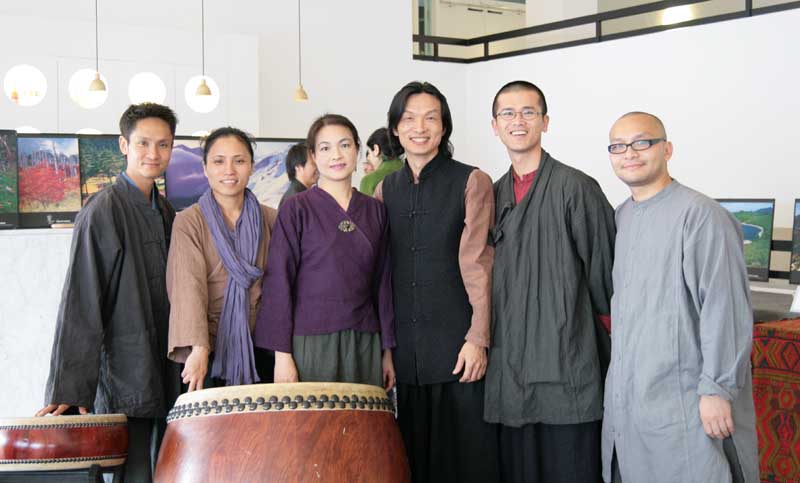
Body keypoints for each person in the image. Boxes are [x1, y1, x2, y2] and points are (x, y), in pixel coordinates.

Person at [602, 111, 758, 483]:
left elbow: (725, 308)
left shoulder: (702, 215)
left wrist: (717, 389)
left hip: (687, 395)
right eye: (618, 146)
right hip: (633, 394)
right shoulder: (620, 218)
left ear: (667, 149)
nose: (630, 153)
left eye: (642, 142)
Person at [36, 103, 181, 482]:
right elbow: (81, 301)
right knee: (131, 467)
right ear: (124, 145)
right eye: (143, 143)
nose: (153, 154)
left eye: (163, 144)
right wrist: (70, 388)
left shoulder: (167, 211)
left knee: (166, 464)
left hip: (165, 361)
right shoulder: (103, 210)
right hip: (124, 365)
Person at [484, 80, 615, 483]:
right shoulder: (492, 194)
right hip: (511, 362)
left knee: (571, 465)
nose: (518, 121)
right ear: (495, 126)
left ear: (545, 121)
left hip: (567, 357)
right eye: (508, 113)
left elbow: (606, 276)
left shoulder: (576, 188)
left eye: (529, 112)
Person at [374, 81, 499, 482]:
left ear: (444, 127)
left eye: (431, 118)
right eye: (409, 119)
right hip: (406, 355)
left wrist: (478, 338)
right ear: (396, 128)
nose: (420, 127)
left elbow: (481, 264)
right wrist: (386, 349)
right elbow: (381, 273)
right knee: (412, 464)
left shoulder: (472, 180)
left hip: (458, 349)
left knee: (465, 462)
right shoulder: (384, 189)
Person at [255, 114, 396, 390]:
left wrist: (387, 350)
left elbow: (383, 283)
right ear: (313, 156)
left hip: (365, 339)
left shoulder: (375, 210)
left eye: (345, 145)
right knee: (316, 417)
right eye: (325, 148)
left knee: (363, 416)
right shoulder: (296, 208)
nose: (336, 155)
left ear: (357, 149)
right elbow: (279, 282)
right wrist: (282, 356)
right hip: (311, 340)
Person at [166, 127, 278, 391]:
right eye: (219, 161)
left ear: (251, 167)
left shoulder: (271, 218)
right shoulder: (189, 221)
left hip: (262, 343)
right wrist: (199, 348)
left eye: (239, 161)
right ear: (205, 168)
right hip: (208, 347)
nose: (229, 170)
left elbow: (281, 285)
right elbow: (188, 286)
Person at [358, 127, 403, 196]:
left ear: (376, 149)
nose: (368, 158)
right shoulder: (412, 171)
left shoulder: (369, 181)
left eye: (369, 152)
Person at [279, 142, 317, 208]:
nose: (317, 167)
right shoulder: (296, 200)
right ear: (298, 167)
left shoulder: (299, 195)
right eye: (313, 163)